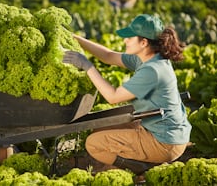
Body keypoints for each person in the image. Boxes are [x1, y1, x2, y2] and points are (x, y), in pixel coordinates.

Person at [63, 14, 192, 175]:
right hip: (158, 129)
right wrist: (75, 38)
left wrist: (87, 65)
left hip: (164, 142)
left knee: (93, 143)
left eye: (130, 38)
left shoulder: (152, 70)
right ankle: (127, 162)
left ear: (144, 42)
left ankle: (138, 168)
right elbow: (108, 56)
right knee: (99, 130)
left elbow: (112, 97)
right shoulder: (148, 58)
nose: (125, 40)